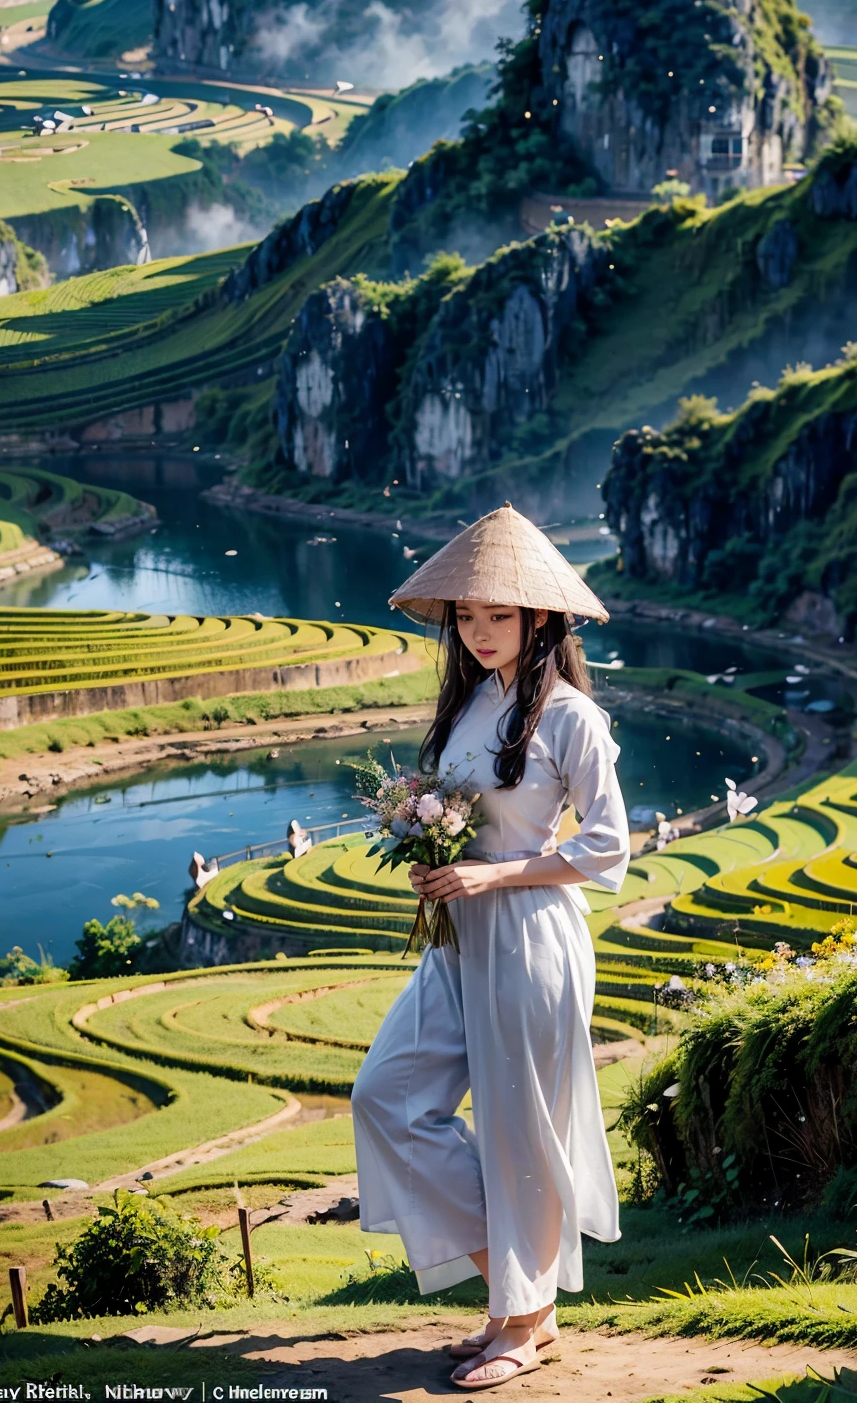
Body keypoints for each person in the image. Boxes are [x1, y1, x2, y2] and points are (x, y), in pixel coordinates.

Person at [351, 501, 629, 1391]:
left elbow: (609, 846)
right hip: (459, 938)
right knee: (387, 1095)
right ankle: (523, 1300)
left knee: (520, 1129)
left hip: (531, 939)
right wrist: (428, 846)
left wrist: (491, 876)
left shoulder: (572, 718)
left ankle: (519, 1319)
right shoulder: (472, 702)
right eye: (468, 616)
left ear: (538, 617)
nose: (478, 631)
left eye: (497, 615)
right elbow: (464, 820)